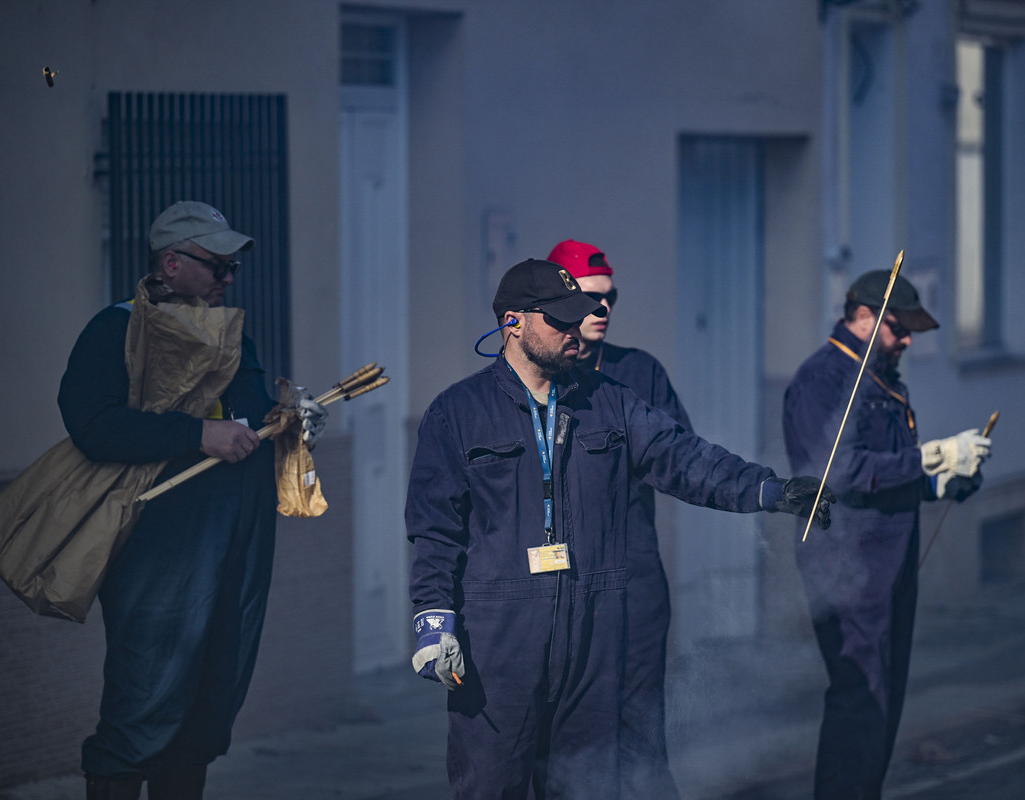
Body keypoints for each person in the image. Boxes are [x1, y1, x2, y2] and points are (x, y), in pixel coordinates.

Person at [407, 257, 834, 799]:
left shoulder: (609, 401)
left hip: (595, 636)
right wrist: (432, 619)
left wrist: (771, 490)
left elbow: (685, 459)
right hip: (498, 645)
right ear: (513, 322)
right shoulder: (457, 413)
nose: (575, 331)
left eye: (577, 316)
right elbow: (435, 529)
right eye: (560, 320)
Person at [58, 201, 326, 800]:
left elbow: (246, 423)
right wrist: (196, 434)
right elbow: (93, 425)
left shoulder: (233, 335)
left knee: (207, 708)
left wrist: (288, 425)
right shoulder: (117, 329)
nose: (228, 280)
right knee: (145, 700)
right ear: (172, 263)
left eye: (234, 269)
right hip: (162, 550)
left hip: (237, 542)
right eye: (217, 267)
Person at [782, 270, 991, 800]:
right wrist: (934, 455)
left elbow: (888, 474)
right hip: (846, 568)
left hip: (889, 563)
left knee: (885, 701)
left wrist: (942, 481)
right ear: (865, 317)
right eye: (899, 328)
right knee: (860, 700)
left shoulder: (881, 376)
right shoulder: (824, 378)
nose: (908, 340)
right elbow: (836, 472)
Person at [546, 239, 690, 799]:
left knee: (638, 730)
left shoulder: (639, 372)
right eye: (590, 299)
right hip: (559, 580)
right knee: (565, 739)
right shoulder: (538, 374)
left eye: (611, 300)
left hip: (632, 573)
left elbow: (681, 457)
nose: (602, 312)